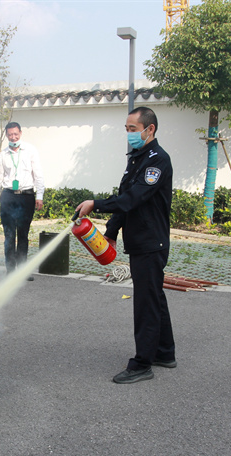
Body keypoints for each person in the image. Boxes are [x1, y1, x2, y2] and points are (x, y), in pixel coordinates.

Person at [75, 107, 175, 384]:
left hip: (150, 242)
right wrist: (111, 232)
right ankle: (164, 352)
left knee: (145, 302)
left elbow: (134, 199)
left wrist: (96, 204)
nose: (129, 134)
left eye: (133, 129)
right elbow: (124, 198)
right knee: (154, 296)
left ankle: (142, 363)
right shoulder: (137, 158)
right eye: (127, 129)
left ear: (149, 129)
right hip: (139, 240)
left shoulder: (158, 160)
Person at [0, 122, 45, 279]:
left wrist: (39, 196)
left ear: (20, 132)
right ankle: (10, 270)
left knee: (23, 234)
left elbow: (38, 174)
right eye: (10, 134)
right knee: (9, 235)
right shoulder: (3, 155)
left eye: (15, 134)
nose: (13, 137)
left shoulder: (31, 151)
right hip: (8, 197)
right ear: (6, 135)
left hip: (26, 196)